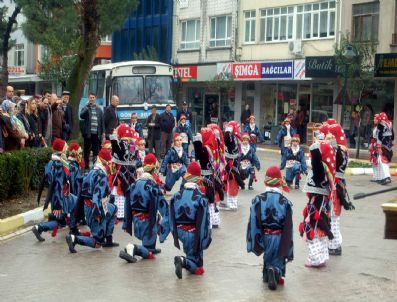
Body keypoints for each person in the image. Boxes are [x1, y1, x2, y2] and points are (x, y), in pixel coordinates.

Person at [162, 162, 212, 279]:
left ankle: (186, 260)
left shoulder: (176, 196)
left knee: (192, 255)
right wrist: (206, 239)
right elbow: (205, 222)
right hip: (193, 233)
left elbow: (168, 216)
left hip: (179, 232)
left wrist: (163, 232)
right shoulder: (201, 199)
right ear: (198, 179)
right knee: (199, 268)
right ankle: (182, 261)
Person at [247, 166, 293, 290]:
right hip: (279, 236)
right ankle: (275, 272)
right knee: (278, 261)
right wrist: (288, 247)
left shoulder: (258, 199)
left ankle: (267, 274)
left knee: (267, 258)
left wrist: (254, 240)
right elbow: (288, 227)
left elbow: (253, 221)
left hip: (265, 235)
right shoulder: (285, 202)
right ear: (279, 183)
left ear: (266, 182)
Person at [119, 153, 170, 263]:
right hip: (147, 223)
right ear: (153, 169)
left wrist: (126, 223)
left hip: (136, 221)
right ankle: (133, 248)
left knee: (156, 219)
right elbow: (164, 208)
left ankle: (149, 247)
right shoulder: (152, 186)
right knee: (148, 253)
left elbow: (127, 204)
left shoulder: (134, 184)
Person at [66, 148, 119, 253]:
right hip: (94, 209)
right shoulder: (101, 175)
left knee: (113, 209)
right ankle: (75, 239)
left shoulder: (92, 171)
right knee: (97, 243)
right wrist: (97, 214)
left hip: (89, 207)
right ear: (105, 162)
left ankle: (108, 239)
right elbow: (97, 196)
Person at [32, 138, 77, 242]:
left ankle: (73, 229)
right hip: (61, 198)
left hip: (63, 196)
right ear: (61, 151)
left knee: (75, 205)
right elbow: (57, 185)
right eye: (65, 149)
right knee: (60, 221)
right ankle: (39, 228)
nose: (67, 151)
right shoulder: (59, 165)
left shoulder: (54, 162)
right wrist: (57, 205)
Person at [300, 141, 335, 268]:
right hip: (321, 201)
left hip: (317, 203)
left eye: (312, 154)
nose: (310, 155)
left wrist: (315, 149)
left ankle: (315, 259)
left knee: (313, 229)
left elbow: (316, 163)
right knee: (320, 229)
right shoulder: (326, 167)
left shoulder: (320, 168)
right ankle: (321, 258)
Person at [327, 123, 355, 256]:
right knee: (335, 217)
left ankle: (334, 245)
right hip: (339, 183)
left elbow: (331, 165)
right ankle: (335, 244)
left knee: (333, 217)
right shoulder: (344, 149)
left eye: (329, 135)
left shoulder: (337, 150)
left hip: (335, 185)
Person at [192, 128, 221, 227]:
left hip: (205, 177)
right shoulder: (214, 147)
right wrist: (217, 137)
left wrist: (197, 142)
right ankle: (215, 220)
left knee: (205, 197)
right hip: (213, 176)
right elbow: (218, 142)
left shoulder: (204, 149)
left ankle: (207, 221)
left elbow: (197, 156)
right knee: (212, 198)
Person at [221, 121, 245, 210]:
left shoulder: (233, 139)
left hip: (232, 165)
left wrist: (228, 130)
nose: (238, 129)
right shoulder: (234, 137)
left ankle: (232, 204)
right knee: (228, 182)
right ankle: (229, 202)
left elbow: (227, 140)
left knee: (232, 183)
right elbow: (227, 139)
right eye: (237, 127)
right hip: (231, 164)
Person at [80, 92, 105, 169]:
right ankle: (86, 166)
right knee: (87, 150)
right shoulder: (85, 108)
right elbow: (81, 116)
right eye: (90, 97)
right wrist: (87, 108)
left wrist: (103, 132)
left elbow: (102, 121)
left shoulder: (99, 109)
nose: (92, 99)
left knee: (96, 150)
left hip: (96, 134)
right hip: (88, 133)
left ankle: (95, 164)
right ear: (88, 98)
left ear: (95, 98)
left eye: (93, 97)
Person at [369, 112, 394, 185]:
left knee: (383, 161)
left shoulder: (381, 124)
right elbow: (392, 135)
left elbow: (379, 137)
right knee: (381, 160)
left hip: (382, 145)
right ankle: (381, 177)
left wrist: (379, 147)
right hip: (387, 145)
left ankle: (386, 177)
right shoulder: (389, 123)